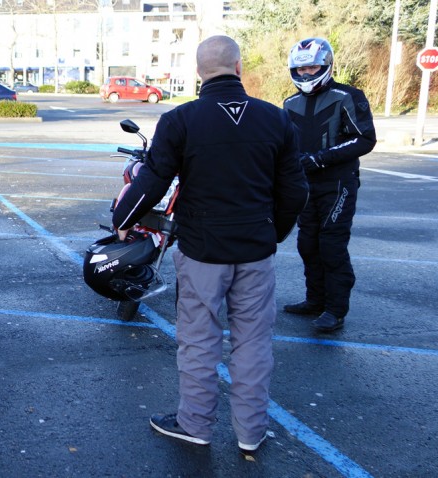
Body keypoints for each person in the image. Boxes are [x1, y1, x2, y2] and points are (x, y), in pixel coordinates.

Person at [111, 35, 308, 452]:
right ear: (239, 68)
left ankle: (195, 424)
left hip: (202, 252)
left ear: (198, 73)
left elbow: (152, 180)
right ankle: (251, 434)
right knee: (253, 343)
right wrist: (273, 232)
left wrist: (123, 220)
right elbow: (295, 193)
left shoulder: (182, 120)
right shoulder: (275, 119)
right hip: (255, 251)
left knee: (200, 341)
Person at [282, 38, 376, 332]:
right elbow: (284, 145)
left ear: (326, 65)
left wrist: (321, 158)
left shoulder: (347, 95)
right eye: (302, 69)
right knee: (307, 244)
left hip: (338, 184)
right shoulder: (289, 103)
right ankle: (315, 300)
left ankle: (335, 310)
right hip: (305, 185)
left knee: (331, 245)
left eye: (313, 67)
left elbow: (365, 139)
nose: (307, 74)